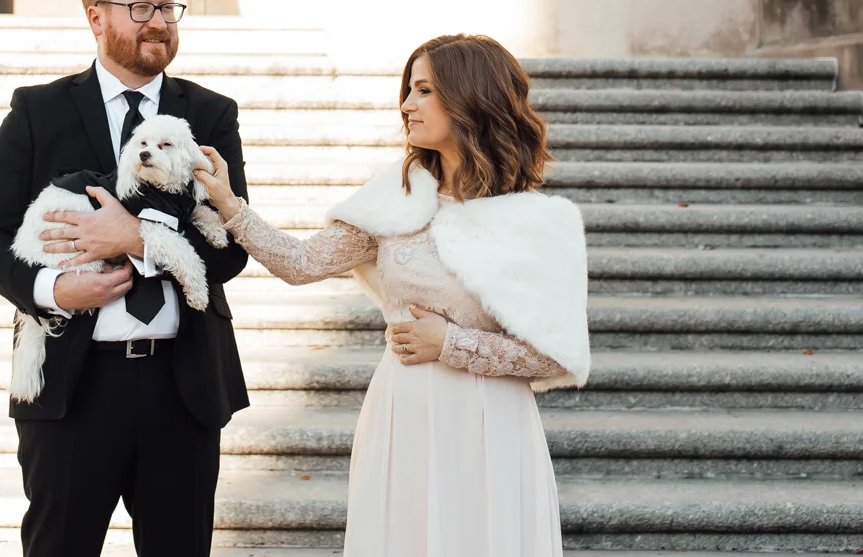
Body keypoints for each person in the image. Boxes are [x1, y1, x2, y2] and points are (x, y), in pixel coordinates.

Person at [196, 33, 589, 557]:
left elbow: (551, 355)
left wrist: (450, 343)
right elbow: (302, 264)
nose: (406, 104)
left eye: (424, 90)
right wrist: (228, 204)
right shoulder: (396, 196)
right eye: (409, 89)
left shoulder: (540, 222)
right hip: (402, 412)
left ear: (469, 97)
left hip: (489, 423)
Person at [0, 0, 249, 557]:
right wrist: (53, 292)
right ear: (96, 18)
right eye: (141, 6)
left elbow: (230, 251)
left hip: (183, 390)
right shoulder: (38, 111)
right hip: (73, 390)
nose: (160, 22)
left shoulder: (210, 116)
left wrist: (138, 239)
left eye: (169, 7)